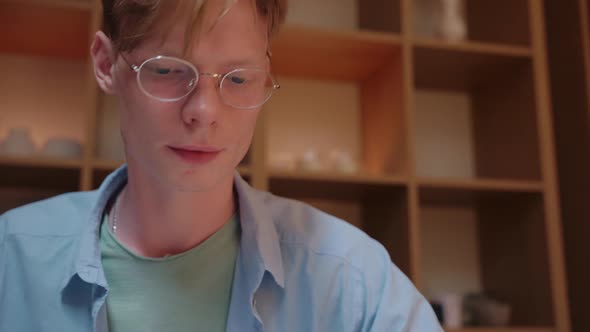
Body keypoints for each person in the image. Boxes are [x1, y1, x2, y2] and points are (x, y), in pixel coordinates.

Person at [0, 0, 442, 331]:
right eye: (169, 70)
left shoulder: (351, 278)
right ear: (105, 64)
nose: (205, 111)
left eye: (238, 79)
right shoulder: (11, 259)